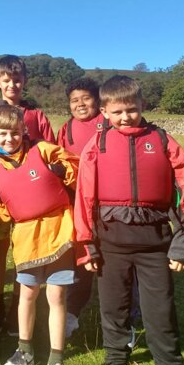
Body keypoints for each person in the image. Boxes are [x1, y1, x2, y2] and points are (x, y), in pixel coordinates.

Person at [75, 76, 184, 365]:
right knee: (114, 314)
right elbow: (84, 197)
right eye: (117, 111)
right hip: (110, 248)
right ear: (104, 111)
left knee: (160, 315)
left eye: (131, 110)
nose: (125, 117)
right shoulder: (97, 145)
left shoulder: (162, 141)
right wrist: (87, 244)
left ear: (142, 106)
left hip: (155, 248)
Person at [0, 103, 78, 365]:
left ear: (24, 130)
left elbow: (75, 169)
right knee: (27, 294)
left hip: (59, 232)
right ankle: (24, 351)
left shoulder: (44, 151)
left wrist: (62, 171)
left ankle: (56, 362)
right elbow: (1, 210)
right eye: (3, 134)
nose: (10, 138)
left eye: (15, 132)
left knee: (57, 296)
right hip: (26, 239)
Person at [0, 55, 55, 336]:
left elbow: (50, 153)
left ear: (24, 81)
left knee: (23, 250)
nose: (12, 85)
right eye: (7, 80)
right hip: (0, 193)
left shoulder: (36, 116)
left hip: (29, 197)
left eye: (17, 79)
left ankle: (17, 305)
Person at [56, 77, 106, 338]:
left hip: (108, 201)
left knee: (113, 257)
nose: (81, 104)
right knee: (82, 255)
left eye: (86, 98)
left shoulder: (109, 122)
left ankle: (124, 313)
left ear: (97, 100)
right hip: (78, 203)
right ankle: (72, 313)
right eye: (74, 100)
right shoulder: (66, 129)